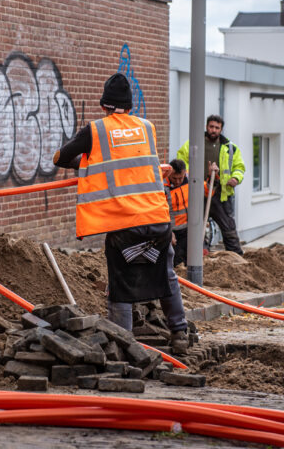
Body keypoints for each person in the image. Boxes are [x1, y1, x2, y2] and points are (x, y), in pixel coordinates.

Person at [53, 73, 189, 353]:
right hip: (158, 221)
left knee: (121, 284)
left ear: (104, 106)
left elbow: (60, 158)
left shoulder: (96, 131)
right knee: (166, 276)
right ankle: (180, 335)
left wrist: (87, 162)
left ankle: (125, 347)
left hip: (125, 226)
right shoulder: (147, 128)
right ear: (130, 106)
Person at [177, 114, 245, 255]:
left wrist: (236, 178)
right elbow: (182, 162)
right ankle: (199, 256)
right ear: (206, 127)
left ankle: (236, 257)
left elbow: (239, 167)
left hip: (221, 194)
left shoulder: (229, 148)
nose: (213, 130)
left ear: (221, 129)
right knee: (196, 227)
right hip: (199, 192)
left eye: (217, 128)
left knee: (228, 228)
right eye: (211, 127)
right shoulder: (193, 144)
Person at [166, 159, 189, 267]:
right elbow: (162, 212)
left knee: (190, 260)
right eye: (174, 178)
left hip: (188, 229)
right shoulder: (163, 187)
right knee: (177, 262)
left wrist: (213, 177)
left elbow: (207, 190)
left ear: (184, 172)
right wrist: (169, 231)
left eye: (181, 178)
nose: (178, 181)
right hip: (174, 232)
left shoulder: (190, 180)